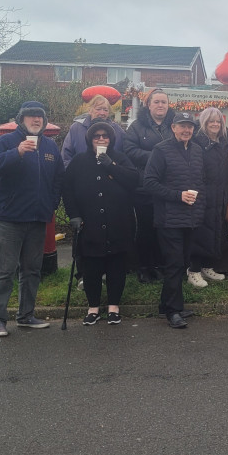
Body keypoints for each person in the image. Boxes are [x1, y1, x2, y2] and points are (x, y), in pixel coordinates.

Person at [0, 101, 64, 337]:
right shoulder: (6, 142)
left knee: (31, 271)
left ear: (45, 121)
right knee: (5, 271)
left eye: (40, 117)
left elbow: (58, 178)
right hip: (8, 218)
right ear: (21, 120)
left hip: (38, 219)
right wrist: (16, 153)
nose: (36, 120)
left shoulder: (49, 146)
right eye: (31, 117)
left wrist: (51, 204)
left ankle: (26, 315)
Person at [62, 121, 139, 325]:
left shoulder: (120, 158)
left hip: (118, 223)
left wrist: (110, 165)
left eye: (105, 136)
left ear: (111, 139)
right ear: (90, 139)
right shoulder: (79, 161)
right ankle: (93, 307)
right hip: (89, 224)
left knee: (116, 267)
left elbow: (133, 180)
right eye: (97, 136)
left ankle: (114, 306)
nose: (101, 139)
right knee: (91, 268)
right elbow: (67, 189)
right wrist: (74, 215)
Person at [144, 110, 205, 329]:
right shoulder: (161, 150)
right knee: (174, 264)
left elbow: (200, 182)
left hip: (191, 218)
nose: (187, 130)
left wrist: (200, 208)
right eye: (182, 126)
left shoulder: (197, 150)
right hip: (168, 218)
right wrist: (177, 196)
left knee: (182, 264)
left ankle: (167, 305)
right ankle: (173, 311)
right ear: (173, 127)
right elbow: (149, 182)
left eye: (190, 126)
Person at [123, 88, 175, 284]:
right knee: (145, 228)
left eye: (164, 102)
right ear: (149, 105)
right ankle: (144, 267)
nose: (161, 105)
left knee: (164, 229)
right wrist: (156, 157)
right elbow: (129, 150)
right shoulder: (137, 126)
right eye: (157, 102)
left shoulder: (174, 125)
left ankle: (160, 266)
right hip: (144, 187)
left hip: (169, 186)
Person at [189, 107, 228, 287]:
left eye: (217, 121)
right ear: (204, 123)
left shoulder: (226, 139)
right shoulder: (197, 142)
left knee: (218, 231)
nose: (214, 124)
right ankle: (193, 270)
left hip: (221, 193)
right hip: (203, 193)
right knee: (200, 233)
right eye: (210, 121)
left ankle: (208, 266)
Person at [60, 94, 127, 168]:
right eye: (98, 109)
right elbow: (66, 156)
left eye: (105, 110)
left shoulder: (117, 130)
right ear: (90, 110)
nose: (102, 113)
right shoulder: (76, 128)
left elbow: (125, 156)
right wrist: (74, 173)